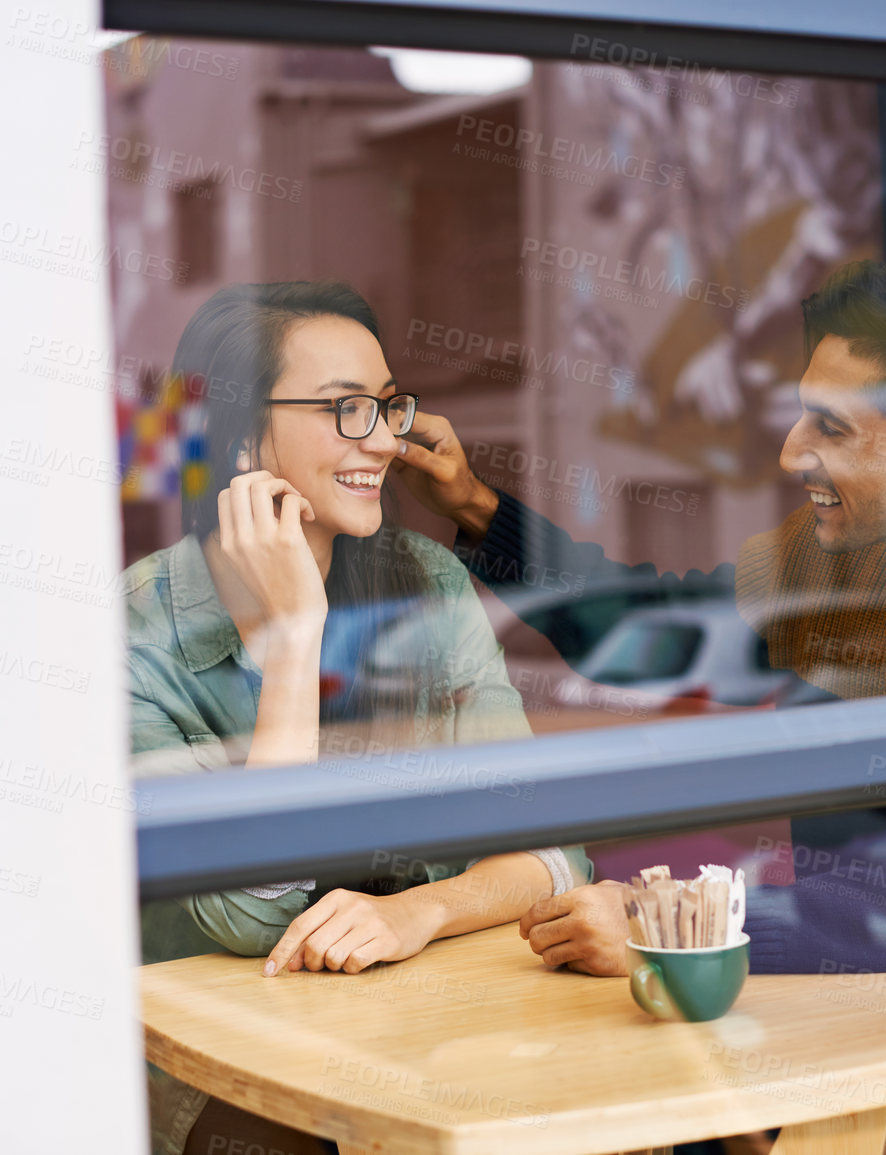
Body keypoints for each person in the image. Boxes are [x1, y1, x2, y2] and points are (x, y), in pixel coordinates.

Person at [389, 256, 886, 1152]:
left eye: (829, 426)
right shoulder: (835, 555)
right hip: (865, 993)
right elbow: (662, 624)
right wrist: (477, 507)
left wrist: (684, 929)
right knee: (657, 1090)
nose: (790, 454)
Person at [123, 282, 590, 1155]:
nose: (383, 439)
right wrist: (295, 641)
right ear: (238, 432)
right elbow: (247, 913)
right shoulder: (134, 633)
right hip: (238, 1090)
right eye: (344, 410)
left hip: (434, 1038)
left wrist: (423, 910)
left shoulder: (426, 581)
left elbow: (554, 847)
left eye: (385, 406)